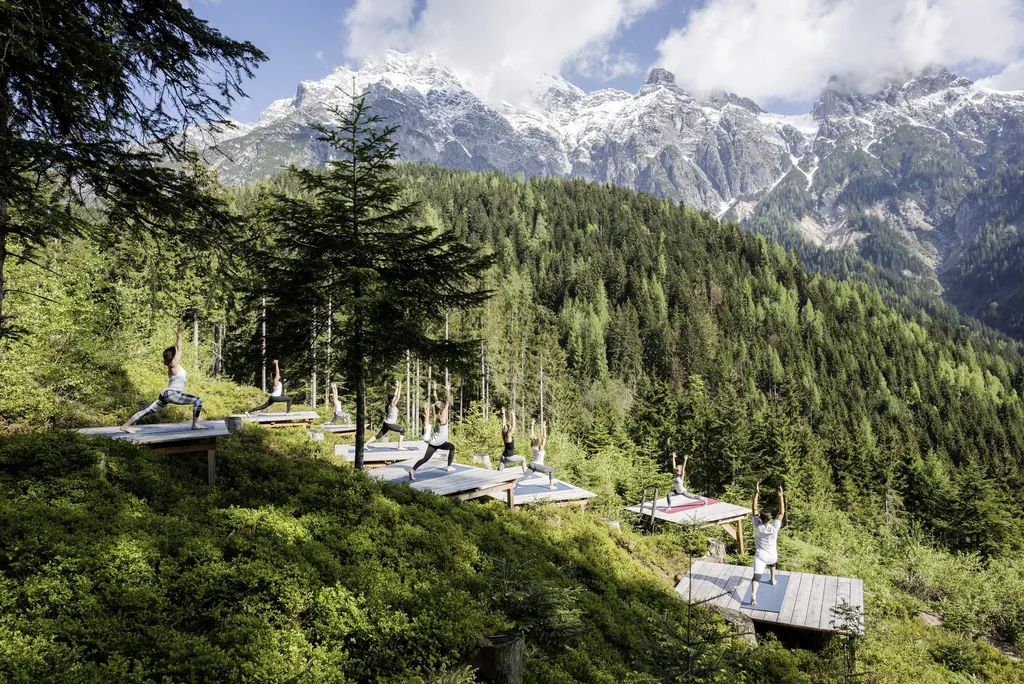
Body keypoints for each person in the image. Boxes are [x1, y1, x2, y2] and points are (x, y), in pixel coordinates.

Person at [120, 324, 206, 432]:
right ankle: (195, 424)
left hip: (165, 394)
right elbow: (179, 348)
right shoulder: (174, 365)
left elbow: (177, 349)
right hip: (172, 394)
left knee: (147, 411)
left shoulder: (171, 365)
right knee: (198, 400)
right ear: (173, 357)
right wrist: (179, 335)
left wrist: (177, 339)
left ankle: (125, 425)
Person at [410, 381, 455, 480]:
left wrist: (434, 390)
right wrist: (447, 390)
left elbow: (436, 402)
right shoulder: (443, 416)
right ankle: (448, 466)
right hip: (441, 443)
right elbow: (447, 401)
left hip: (434, 442)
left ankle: (413, 470)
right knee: (452, 448)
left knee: (425, 459)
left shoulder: (435, 415)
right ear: (442, 408)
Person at [750, 482, 785, 606]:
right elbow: (781, 513)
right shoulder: (774, 527)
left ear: (761, 518)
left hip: (760, 556)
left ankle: (754, 594)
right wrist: (780, 495)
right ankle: (772, 579)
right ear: (770, 519)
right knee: (773, 562)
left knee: (757, 576)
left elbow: (754, 510)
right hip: (772, 556)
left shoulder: (757, 525)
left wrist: (756, 493)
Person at [366, 380, 405, 450]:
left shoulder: (390, 405)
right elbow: (397, 397)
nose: (395, 399)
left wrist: (397, 387)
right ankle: (399, 446)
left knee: (379, 435)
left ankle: (365, 445)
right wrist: (400, 388)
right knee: (402, 431)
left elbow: (395, 396)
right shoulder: (392, 405)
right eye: (393, 398)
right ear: (392, 400)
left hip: (386, 423)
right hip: (390, 424)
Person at [528, 418, 556, 490]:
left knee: (524, 477)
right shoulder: (540, 448)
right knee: (551, 470)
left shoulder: (532, 446)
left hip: (532, 465)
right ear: (538, 441)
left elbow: (532, 436)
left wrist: (532, 425)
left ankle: (513, 484)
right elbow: (544, 437)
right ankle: (551, 486)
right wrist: (544, 427)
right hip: (538, 466)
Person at [498, 407, 526, 473]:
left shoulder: (504, 434)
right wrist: (513, 416)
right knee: (523, 459)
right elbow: (514, 426)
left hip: (503, 457)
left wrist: (504, 414)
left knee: (498, 471)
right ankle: (525, 474)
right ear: (509, 430)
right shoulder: (508, 436)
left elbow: (503, 424)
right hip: (509, 457)